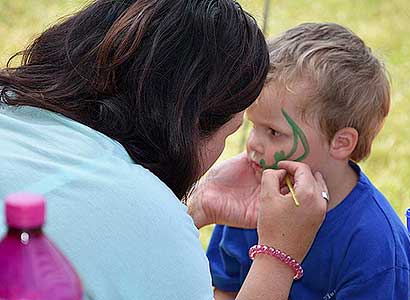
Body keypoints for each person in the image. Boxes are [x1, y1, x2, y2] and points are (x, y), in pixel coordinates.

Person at [0, 1, 328, 299]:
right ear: (189, 124)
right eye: (230, 133)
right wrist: (278, 257)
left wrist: (196, 208)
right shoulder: (154, 233)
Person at [205, 23, 410, 299]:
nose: (252, 144)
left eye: (273, 132)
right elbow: (225, 290)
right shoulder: (250, 202)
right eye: (253, 126)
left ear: (341, 143)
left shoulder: (376, 245)